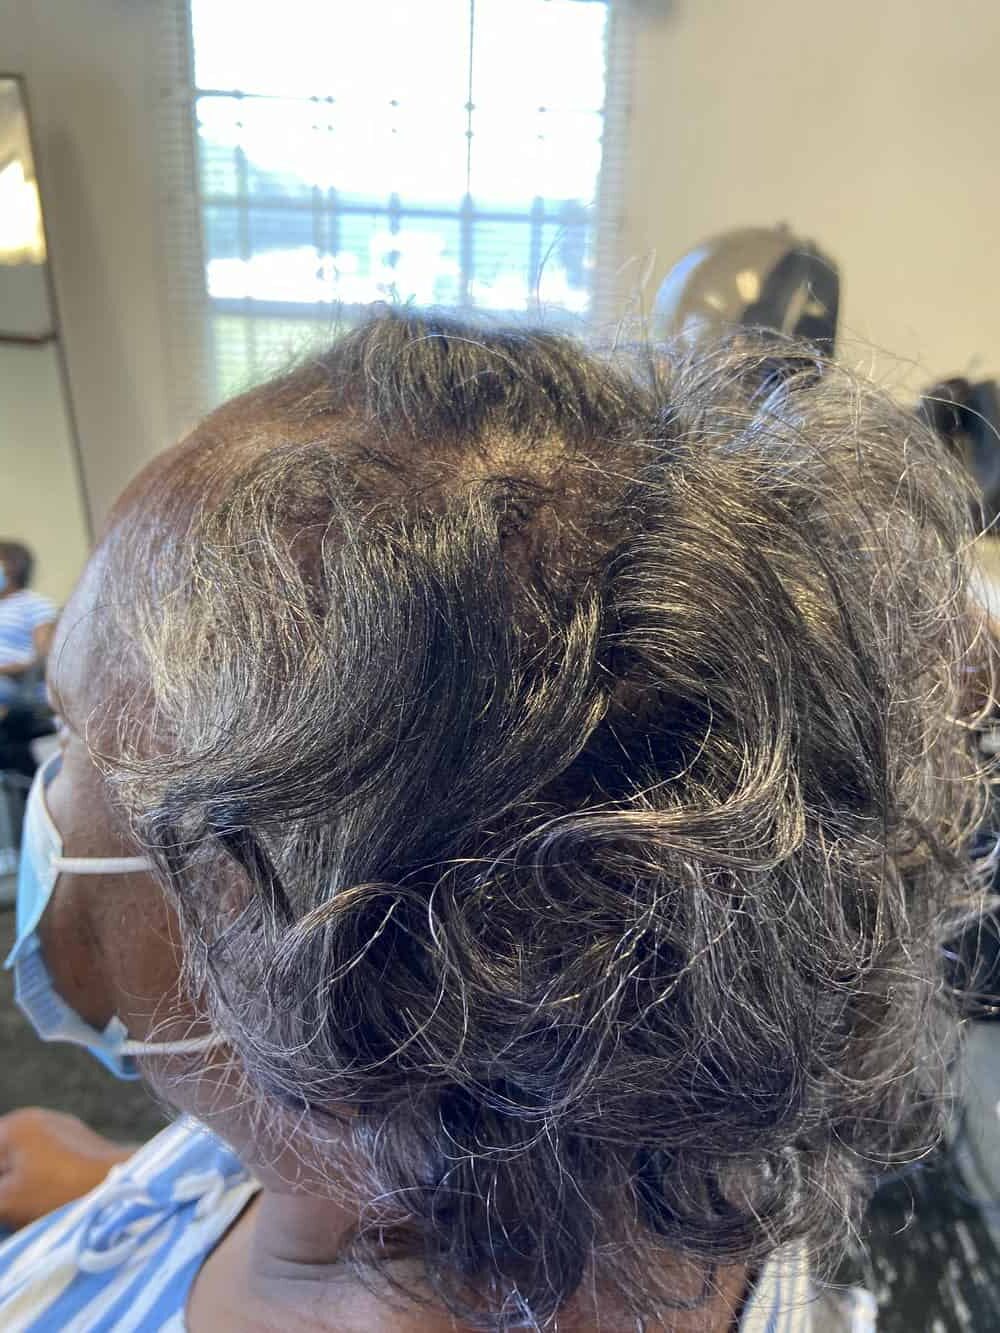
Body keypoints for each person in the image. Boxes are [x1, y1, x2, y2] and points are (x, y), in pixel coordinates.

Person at [0, 312, 990, 1332]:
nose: (52, 791)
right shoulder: (360, 1141)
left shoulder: (325, 1118)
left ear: (340, 963)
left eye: (70, 731)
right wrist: (118, 1183)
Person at [0, 542, 57, 709]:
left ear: (13, 567)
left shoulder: (35, 604)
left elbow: (44, 660)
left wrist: (4, 670)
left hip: (17, 686)